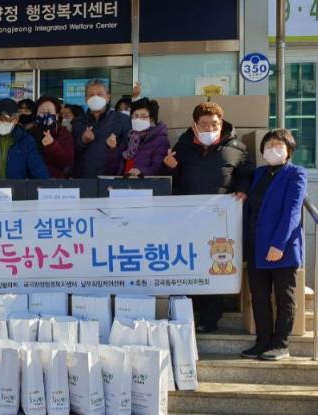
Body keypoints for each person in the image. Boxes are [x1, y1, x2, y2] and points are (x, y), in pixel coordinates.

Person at [163, 101, 252, 333]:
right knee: (187, 263)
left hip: (219, 219)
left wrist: (243, 189)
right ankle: (185, 315)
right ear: (195, 125)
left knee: (214, 265)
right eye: (204, 124)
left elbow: (246, 174)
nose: (209, 128)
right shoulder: (182, 147)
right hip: (187, 219)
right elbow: (172, 180)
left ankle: (209, 318)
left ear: (221, 123)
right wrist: (169, 167)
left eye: (214, 124)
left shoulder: (237, 147)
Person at [241, 129, 306, 361]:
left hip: (282, 247)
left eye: (278, 145)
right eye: (268, 145)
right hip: (255, 245)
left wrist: (278, 244)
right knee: (259, 296)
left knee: (284, 297)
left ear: (289, 150)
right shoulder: (258, 174)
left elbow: (292, 212)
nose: (273, 149)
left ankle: (281, 344)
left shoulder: (296, 173)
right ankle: (262, 341)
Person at [0, 98, 49, 179]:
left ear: (16, 119)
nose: (3, 122)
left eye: (7, 119)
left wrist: (44, 182)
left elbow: (37, 166)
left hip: (17, 186)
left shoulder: (26, 141)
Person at [72, 79, 131, 178]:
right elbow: (71, 152)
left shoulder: (123, 120)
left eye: (100, 94)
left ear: (108, 97)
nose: (95, 98)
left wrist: (114, 148)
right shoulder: (78, 122)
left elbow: (130, 150)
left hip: (113, 179)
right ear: (86, 99)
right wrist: (82, 141)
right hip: (84, 179)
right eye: (91, 95)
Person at [27, 96, 74, 178]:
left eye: (49, 112)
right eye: (42, 112)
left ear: (57, 115)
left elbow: (68, 161)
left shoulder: (63, 134)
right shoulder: (28, 134)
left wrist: (52, 145)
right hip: (31, 181)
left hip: (55, 181)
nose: (46, 115)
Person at [121, 97, 169, 176]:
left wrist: (141, 172)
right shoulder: (129, 136)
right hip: (125, 180)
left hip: (144, 182)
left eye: (143, 116)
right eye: (135, 116)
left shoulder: (160, 140)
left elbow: (158, 168)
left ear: (151, 119)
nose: (138, 119)